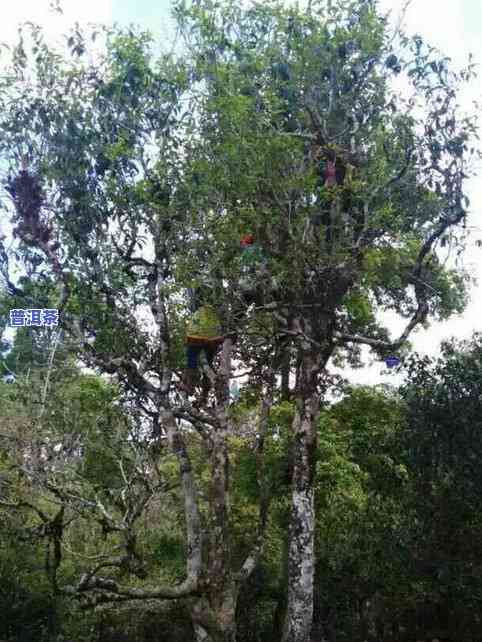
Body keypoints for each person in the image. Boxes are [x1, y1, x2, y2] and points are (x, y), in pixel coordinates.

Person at [183, 304, 224, 395]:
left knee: (192, 355)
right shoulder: (218, 304)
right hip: (214, 332)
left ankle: (192, 385)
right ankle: (205, 389)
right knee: (208, 361)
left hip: (201, 330)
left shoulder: (200, 303)